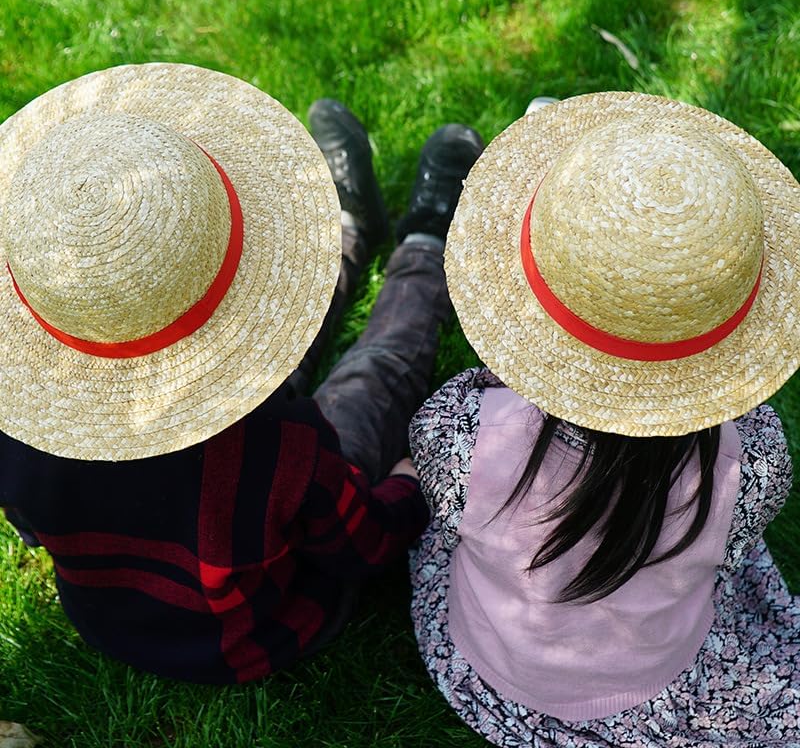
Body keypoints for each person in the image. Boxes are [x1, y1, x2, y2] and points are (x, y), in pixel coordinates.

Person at [0, 62, 483, 683]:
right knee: (371, 375)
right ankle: (421, 246)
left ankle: (353, 231)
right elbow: (360, 546)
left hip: (116, 625)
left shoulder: (19, 425)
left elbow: (38, 531)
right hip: (258, 628)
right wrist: (411, 487)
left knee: (311, 362)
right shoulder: (280, 443)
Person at [408, 92, 800, 746]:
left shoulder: (464, 428)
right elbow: (732, 551)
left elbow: (441, 506)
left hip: (490, 672)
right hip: (651, 679)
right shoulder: (754, 461)